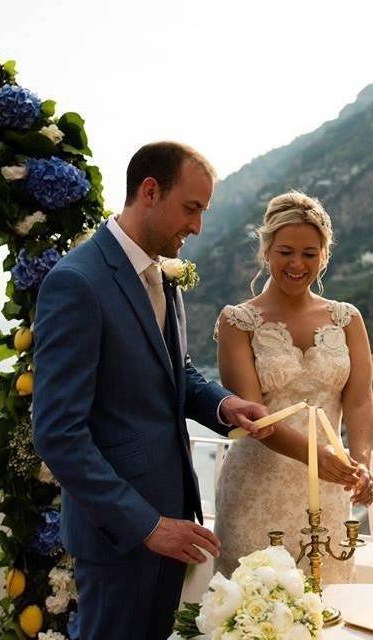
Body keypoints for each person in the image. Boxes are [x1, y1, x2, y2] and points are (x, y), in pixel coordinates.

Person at [32, 142, 271, 640]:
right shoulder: (77, 282)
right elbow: (58, 434)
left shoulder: (163, 275)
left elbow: (175, 373)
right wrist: (146, 525)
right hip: (121, 534)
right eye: (191, 208)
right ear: (149, 191)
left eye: (203, 211)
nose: (198, 226)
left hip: (172, 521)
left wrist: (225, 405)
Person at [213, 191, 373, 583]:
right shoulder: (238, 323)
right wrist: (318, 456)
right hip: (256, 492)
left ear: (324, 254)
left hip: (330, 491)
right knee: (255, 615)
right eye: (286, 251)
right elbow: (255, 415)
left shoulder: (347, 318)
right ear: (266, 250)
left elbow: (359, 401)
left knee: (328, 612)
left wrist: (361, 464)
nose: (297, 264)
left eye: (309, 253)